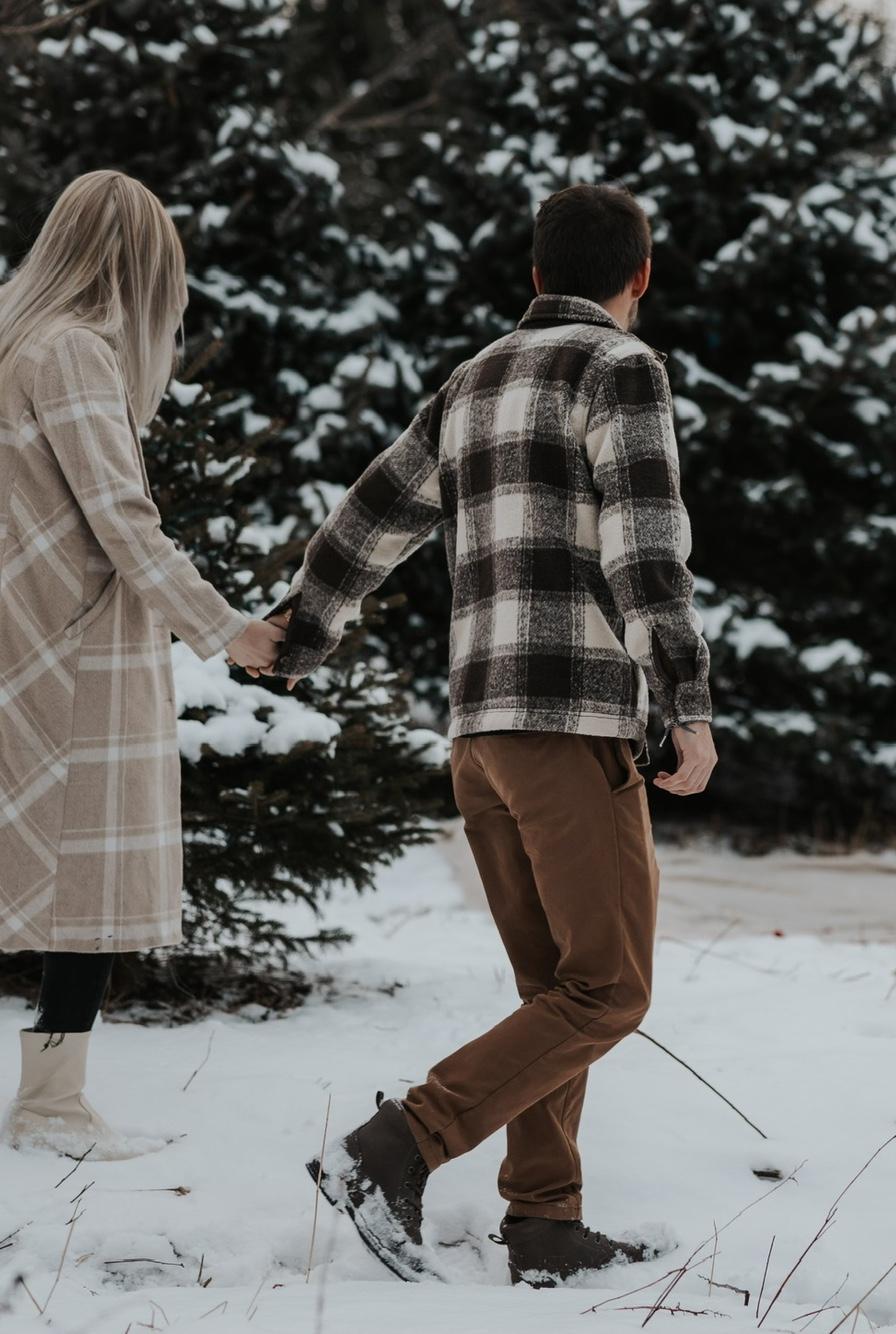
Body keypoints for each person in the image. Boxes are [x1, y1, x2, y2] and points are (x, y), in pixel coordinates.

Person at [276, 183, 717, 1284]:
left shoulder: (472, 378)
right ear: (640, 276)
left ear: (533, 277)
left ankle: (545, 1221)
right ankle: (396, 1144)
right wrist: (687, 705)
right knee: (608, 990)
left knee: (555, 987)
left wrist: (302, 631)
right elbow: (643, 551)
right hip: (568, 727)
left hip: (478, 736)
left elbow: (370, 516)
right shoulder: (622, 368)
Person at [0, 171, 284, 1158]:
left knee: (30, 870)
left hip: (15, 637)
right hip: (70, 651)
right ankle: (49, 1105)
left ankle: (49, 1100)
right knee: (82, 886)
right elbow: (121, 516)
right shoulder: (71, 351)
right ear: (137, 268)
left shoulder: (7, 338)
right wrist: (227, 626)